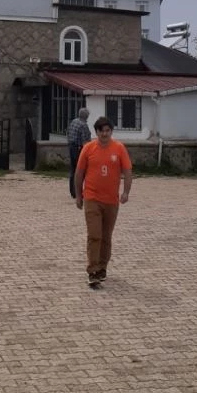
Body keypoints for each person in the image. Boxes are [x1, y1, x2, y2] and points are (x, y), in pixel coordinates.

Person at [74, 116, 132, 288]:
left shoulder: (119, 148)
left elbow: (127, 171)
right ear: (96, 132)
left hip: (111, 200)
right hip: (92, 198)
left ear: (111, 132)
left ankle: (102, 267)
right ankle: (92, 270)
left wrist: (126, 192)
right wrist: (79, 195)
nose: (104, 134)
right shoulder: (88, 148)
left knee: (106, 237)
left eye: (107, 131)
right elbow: (79, 173)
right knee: (94, 235)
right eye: (101, 131)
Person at [66, 107, 91, 198]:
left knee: (73, 170)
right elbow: (85, 141)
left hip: (71, 147)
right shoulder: (83, 125)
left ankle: (72, 191)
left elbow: (68, 133)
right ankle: (78, 192)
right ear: (86, 116)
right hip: (78, 149)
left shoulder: (74, 121)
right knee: (80, 171)